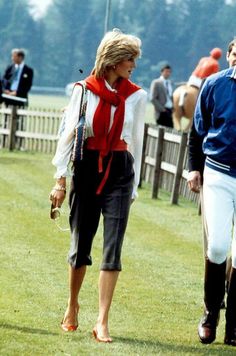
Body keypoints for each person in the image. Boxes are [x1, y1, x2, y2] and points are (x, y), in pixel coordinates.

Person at [49, 29, 147, 342]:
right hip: (88, 168)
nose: (133, 64)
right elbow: (67, 135)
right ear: (113, 60)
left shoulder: (137, 96)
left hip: (120, 171)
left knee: (113, 246)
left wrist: (134, 187)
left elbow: (138, 143)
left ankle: (102, 321)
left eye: (134, 58)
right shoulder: (83, 90)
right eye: (129, 58)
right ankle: (72, 305)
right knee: (80, 245)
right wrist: (60, 178)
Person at [187, 38, 236, 347]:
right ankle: (210, 315)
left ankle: (235, 326)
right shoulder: (214, 84)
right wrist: (194, 167)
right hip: (218, 173)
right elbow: (196, 131)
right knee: (217, 247)